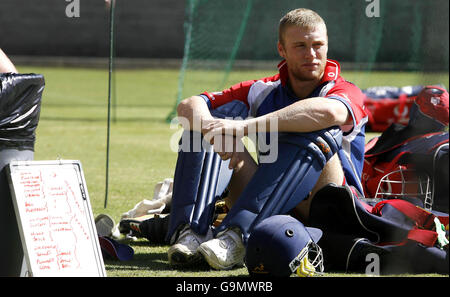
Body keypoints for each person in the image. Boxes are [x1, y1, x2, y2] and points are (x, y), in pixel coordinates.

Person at [166, 8, 367, 271]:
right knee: (200, 126)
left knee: (317, 128)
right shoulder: (265, 90)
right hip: (274, 202)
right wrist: (211, 129)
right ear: (282, 50)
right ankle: (192, 232)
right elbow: (190, 103)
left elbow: (330, 112)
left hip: (331, 211)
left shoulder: (344, 90)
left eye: (318, 45)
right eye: (300, 46)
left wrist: (245, 127)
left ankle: (236, 238)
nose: (311, 54)